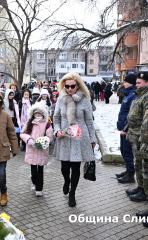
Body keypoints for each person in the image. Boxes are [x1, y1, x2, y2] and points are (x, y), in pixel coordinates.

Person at [53, 73, 97, 207]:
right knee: (64, 168)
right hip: (65, 137)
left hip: (79, 138)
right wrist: (57, 131)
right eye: (67, 86)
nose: (70, 89)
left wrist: (92, 138)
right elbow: (56, 118)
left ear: (78, 85)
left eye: (72, 86)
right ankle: (67, 181)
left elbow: (89, 121)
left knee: (75, 167)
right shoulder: (61, 99)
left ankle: (72, 193)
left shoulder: (84, 100)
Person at [20, 103, 53, 196]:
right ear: (33, 113)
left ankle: (39, 189)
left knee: (41, 170)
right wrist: (29, 139)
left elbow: (50, 136)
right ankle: (34, 182)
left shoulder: (47, 123)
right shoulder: (29, 122)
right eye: (36, 113)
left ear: (43, 114)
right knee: (34, 170)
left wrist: (44, 141)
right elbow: (23, 133)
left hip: (42, 150)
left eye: (39, 113)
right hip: (32, 149)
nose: (38, 115)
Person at [125, 72, 148, 205]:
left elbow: (145, 122)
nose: (136, 85)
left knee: (142, 167)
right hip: (135, 137)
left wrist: (143, 140)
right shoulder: (139, 95)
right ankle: (141, 187)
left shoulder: (146, 97)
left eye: (139, 83)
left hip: (141, 139)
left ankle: (144, 191)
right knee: (138, 165)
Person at [116, 74, 137, 184]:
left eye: (126, 82)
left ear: (132, 83)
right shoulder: (128, 94)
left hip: (128, 130)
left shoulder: (133, 95)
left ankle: (130, 175)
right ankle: (128, 171)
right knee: (124, 150)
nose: (124, 84)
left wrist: (124, 128)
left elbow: (130, 115)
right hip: (124, 129)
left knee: (128, 152)